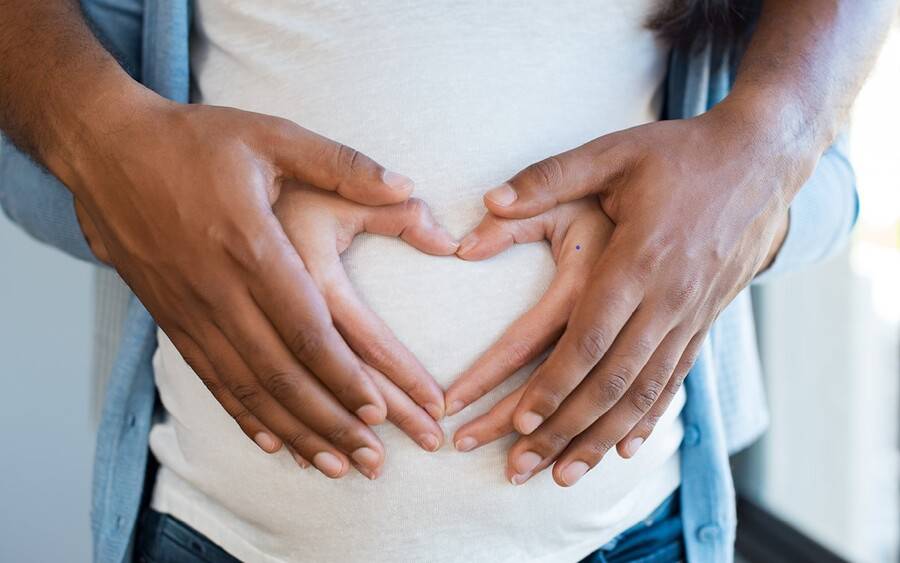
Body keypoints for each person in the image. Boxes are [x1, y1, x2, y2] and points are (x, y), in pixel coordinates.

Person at [0, 1, 894, 562]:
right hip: (224, 533)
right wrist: (135, 177)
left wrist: (748, 204)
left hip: (630, 534)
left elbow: (830, 189)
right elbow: (41, 149)